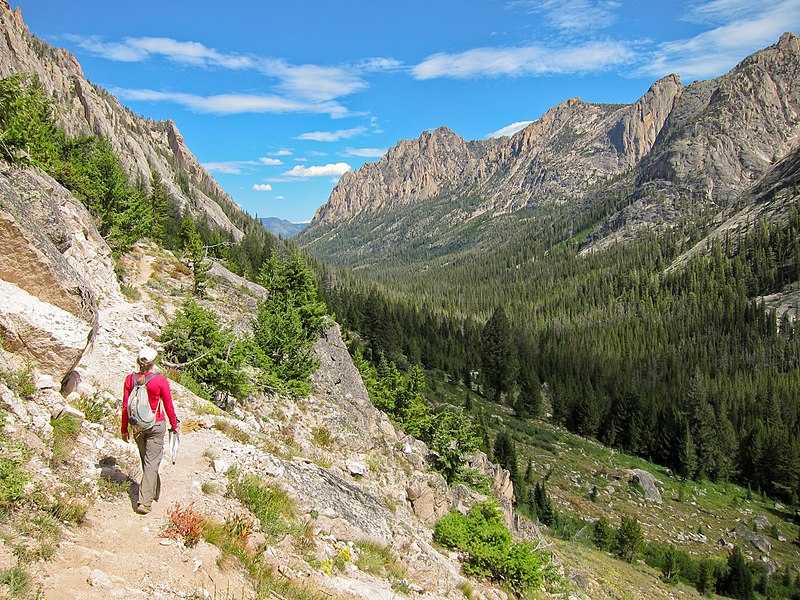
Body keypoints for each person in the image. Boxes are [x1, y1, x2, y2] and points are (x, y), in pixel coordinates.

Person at [122, 346, 179, 515]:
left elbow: (125, 406)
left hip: (137, 425)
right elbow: (168, 404)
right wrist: (174, 424)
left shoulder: (129, 379)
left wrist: (124, 428)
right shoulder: (160, 380)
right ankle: (144, 503)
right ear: (155, 362)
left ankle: (153, 491)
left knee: (147, 460)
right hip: (156, 424)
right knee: (152, 462)